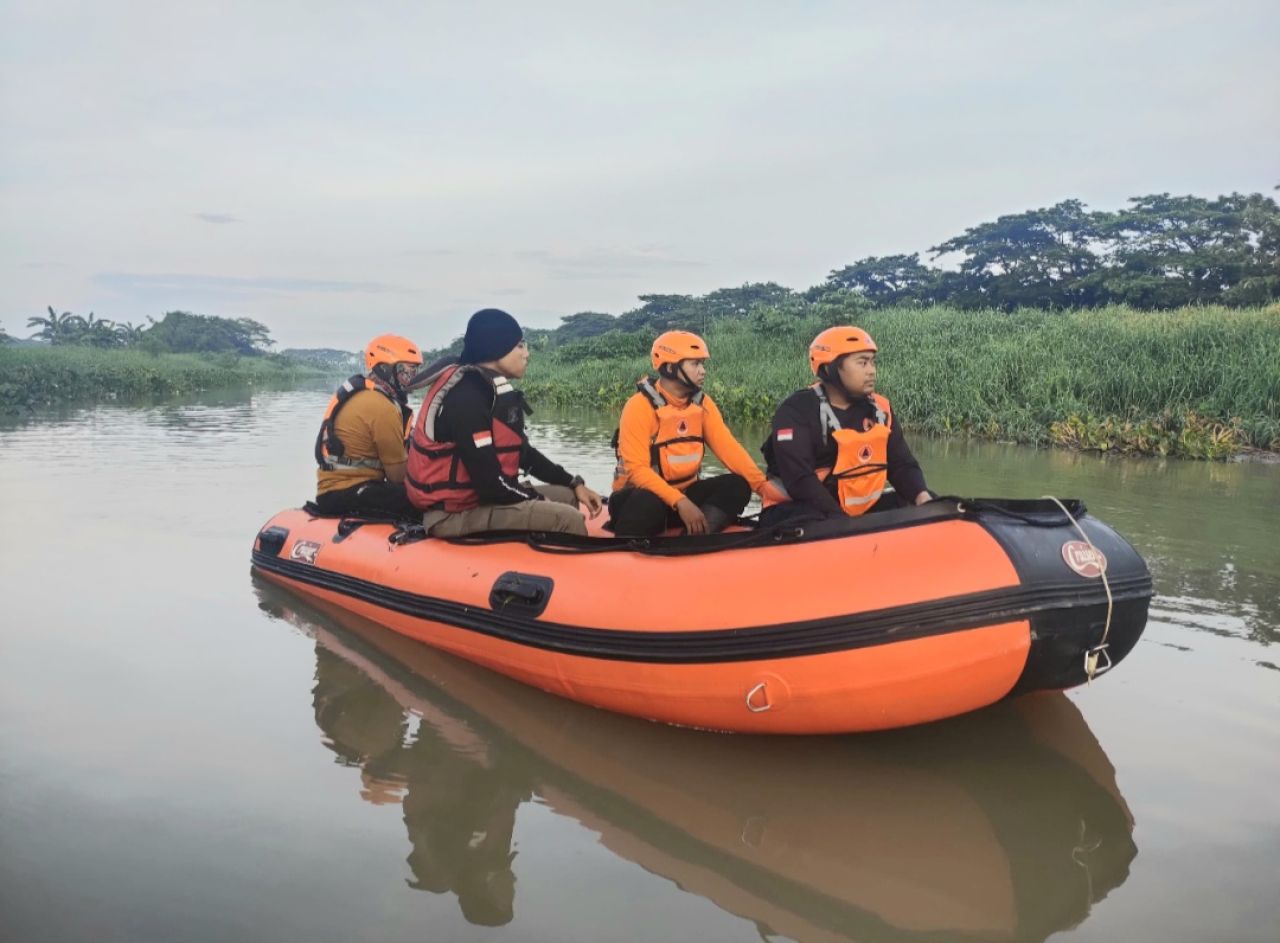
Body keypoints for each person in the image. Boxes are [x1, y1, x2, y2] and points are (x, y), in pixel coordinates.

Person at [404, 308, 603, 537]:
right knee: (567, 519)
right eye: (520, 346)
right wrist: (535, 499)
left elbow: (523, 453)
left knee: (567, 495)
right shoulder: (466, 399)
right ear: (496, 349)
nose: (526, 353)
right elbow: (490, 486)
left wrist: (574, 483)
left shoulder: (489, 391)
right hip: (452, 515)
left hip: (478, 501)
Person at [608, 330, 775, 536]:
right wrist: (680, 502)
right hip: (637, 499)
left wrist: (764, 489)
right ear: (670, 367)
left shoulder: (703, 404)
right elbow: (637, 470)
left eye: (702, 364)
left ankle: (693, 538)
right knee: (647, 502)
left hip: (683, 495)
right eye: (695, 364)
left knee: (737, 485)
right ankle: (633, 548)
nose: (703, 371)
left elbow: (730, 450)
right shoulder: (639, 407)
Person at [761, 325, 932, 525]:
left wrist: (923, 498)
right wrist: (844, 523)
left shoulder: (880, 409)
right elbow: (799, 480)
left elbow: (901, 465)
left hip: (853, 512)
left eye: (872, 362)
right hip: (797, 509)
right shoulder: (795, 412)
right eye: (862, 363)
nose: (872, 371)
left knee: (921, 501)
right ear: (830, 368)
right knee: (813, 519)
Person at [314, 334, 423, 517]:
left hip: (336, 489)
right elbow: (397, 477)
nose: (410, 379)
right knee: (424, 499)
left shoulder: (366, 394)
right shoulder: (382, 407)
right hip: (347, 491)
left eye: (414, 372)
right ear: (385, 369)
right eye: (406, 372)